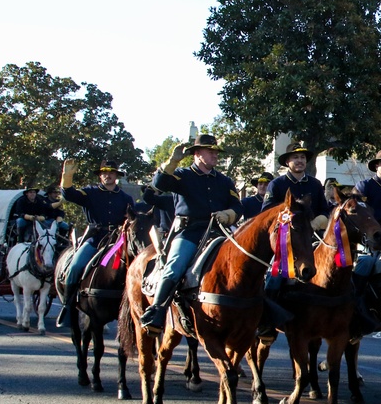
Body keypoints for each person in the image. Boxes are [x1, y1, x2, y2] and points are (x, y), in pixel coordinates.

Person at [139, 134, 242, 333]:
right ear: (197, 154)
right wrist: (172, 162)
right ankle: (157, 310)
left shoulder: (224, 181)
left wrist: (227, 214)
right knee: (175, 266)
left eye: (215, 152)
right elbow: (159, 183)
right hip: (189, 232)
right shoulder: (181, 175)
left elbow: (237, 207)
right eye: (210, 151)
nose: (214, 155)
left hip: (218, 231)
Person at [258, 143, 331, 342]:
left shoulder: (315, 184)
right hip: (285, 240)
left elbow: (325, 209)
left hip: (311, 236)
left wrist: (320, 220)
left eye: (302, 157)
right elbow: (266, 212)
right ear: (288, 162)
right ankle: (266, 321)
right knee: (274, 275)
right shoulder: (277, 184)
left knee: (335, 267)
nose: (299, 161)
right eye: (295, 157)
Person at [60, 159, 136, 319]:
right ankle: (68, 306)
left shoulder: (126, 198)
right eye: (104, 173)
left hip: (117, 242)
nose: (108, 175)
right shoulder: (90, 193)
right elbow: (68, 194)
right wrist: (67, 177)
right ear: (100, 176)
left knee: (136, 267)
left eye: (111, 172)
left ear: (116, 175)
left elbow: (132, 219)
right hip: (95, 239)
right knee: (75, 266)